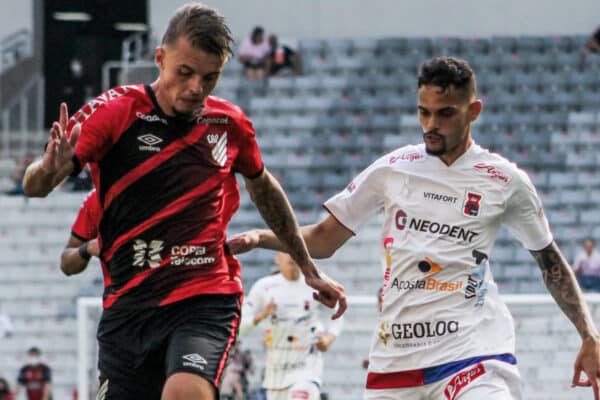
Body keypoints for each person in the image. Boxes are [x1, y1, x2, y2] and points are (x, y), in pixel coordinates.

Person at [22, 3, 345, 400]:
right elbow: (36, 186)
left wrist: (309, 269)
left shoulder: (229, 124)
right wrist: (47, 169)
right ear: (160, 58)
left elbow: (264, 188)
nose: (196, 88)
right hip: (128, 307)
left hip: (204, 296)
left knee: (184, 393)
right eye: (185, 73)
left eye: (210, 77)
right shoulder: (116, 111)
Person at [228, 56, 600, 399]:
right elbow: (324, 240)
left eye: (445, 113)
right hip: (397, 359)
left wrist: (588, 334)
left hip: (472, 352)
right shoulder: (394, 167)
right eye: (424, 113)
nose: (431, 125)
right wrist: (262, 239)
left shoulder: (504, 180)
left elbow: (549, 260)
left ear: (473, 111)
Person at [240, 252, 343, 400]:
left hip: (307, 368)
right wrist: (262, 315)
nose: (291, 256)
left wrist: (329, 338)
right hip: (276, 372)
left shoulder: (316, 284)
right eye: (285, 251)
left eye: (293, 251)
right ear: (277, 258)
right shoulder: (264, 287)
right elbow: (240, 325)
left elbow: (339, 308)